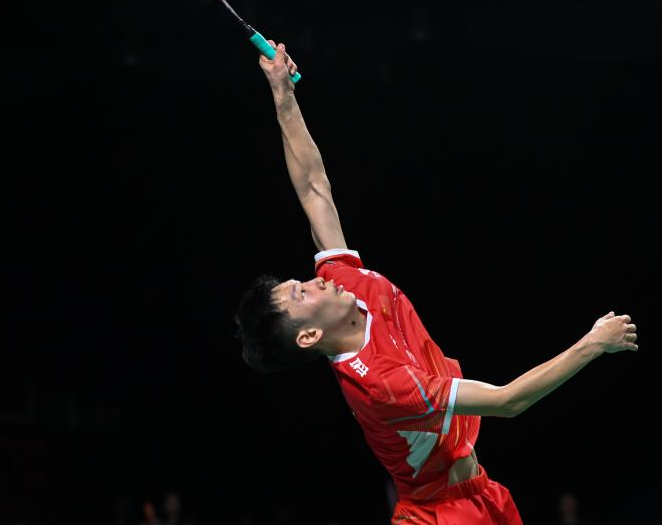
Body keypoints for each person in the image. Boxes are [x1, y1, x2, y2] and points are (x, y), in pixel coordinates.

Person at [234, 42, 640, 525]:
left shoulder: (342, 280)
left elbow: (313, 188)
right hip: (438, 515)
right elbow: (508, 401)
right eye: (302, 294)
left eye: (301, 282)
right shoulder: (382, 385)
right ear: (309, 336)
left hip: (482, 492)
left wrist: (282, 94)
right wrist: (594, 343)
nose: (314, 282)